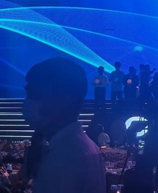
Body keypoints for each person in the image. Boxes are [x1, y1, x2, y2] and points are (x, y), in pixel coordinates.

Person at [22, 58, 106, 193]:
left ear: (64, 98)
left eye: (35, 94)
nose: (28, 102)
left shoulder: (64, 156)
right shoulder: (85, 147)